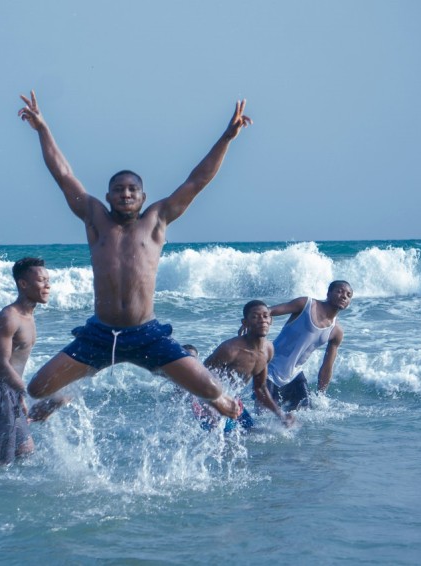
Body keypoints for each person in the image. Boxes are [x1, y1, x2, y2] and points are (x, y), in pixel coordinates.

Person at [18, 90, 252, 418]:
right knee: (37, 389)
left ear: (143, 197)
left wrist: (227, 137)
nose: (125, 193)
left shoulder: (157, 220)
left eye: (132, 189)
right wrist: (43, 129)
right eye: (118, 189)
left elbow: (197, 180)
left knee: (214, 391)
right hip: (100, 334)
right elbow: (63, 175)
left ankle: (201, 385)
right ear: (108, 196)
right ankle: (66, 395)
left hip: (147, 334)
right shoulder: (95, 219)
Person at [0, 257, 64, 466]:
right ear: (23, 284)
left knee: (25, 451)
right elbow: (1, 363)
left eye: (48, 280)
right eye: (41, 280)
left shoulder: (29, 317)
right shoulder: (10, 317)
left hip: (10, 391)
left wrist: (19, 395)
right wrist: (29, 394)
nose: (48, 285)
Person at [201, 300, 295, 432]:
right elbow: (201, 377)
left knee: (251, 432)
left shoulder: (268, 349)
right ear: (245, 323)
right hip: (209, 401)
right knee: (226, 440)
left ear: (271, 320)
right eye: (255, 316)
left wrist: (281, 415)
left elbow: (260, 388)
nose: (262, 320)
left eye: (265, 316)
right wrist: (214, 404)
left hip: (231, 399)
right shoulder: (230, 350)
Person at [266, 280, 353, 411]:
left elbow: (327, 367)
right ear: (328, 293)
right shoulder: (306, 305)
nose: (344, 296)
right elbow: (269, 311)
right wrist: (249, 323)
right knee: (264, 417)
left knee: (305, 414)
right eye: (339, 291)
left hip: (294, 375)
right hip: (269, 371)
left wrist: (321, 395)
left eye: (348, 295)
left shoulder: (336, 331)